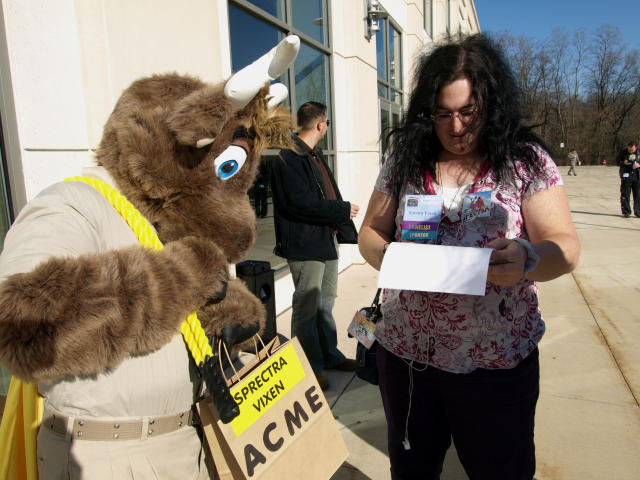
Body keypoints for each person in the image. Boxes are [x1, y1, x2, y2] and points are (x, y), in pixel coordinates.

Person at [358, 34, 580, 480]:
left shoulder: (525, 164)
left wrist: (528, 257)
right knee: (411, 469)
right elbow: (370, 232)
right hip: (408, 360)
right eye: (443, 113)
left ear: (491, 105)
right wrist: (392, 257)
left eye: (467, 112)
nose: (455, 127)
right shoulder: (406, 161)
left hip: (494, 365)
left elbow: (566, 247)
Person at [270, 101, 359, 390]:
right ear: (321, 124)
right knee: (307, 308)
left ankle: (330, 357)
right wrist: (341, 211)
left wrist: (340, 220)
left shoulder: (313, 155)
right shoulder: (289, 158)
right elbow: (299, 204)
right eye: (328, 123)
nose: (327, 128)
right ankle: (308, 367)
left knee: (325, 303)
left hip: (326, 239)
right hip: (306, 243)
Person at [615, 141, 640, 217]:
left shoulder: (639, 153)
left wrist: (639, 164)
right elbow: (617, 161)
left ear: (635, 147)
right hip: (626, 175)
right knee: (625, 194)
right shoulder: (623, 152)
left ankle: (638, 211)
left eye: (632, 150)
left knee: (638, 194)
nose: (631, 151)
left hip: (637, 175)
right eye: (629, 150)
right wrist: (624, 162)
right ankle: (626, 211)